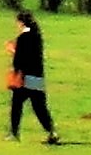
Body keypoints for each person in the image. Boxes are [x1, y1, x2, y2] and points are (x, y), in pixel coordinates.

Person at [5, 8, 58, 144]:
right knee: (39, 107)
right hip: (37, 76)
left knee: (16, 105)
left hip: (24, 77)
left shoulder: (23, 37)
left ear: (21, 23)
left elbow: (20, 59)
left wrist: (12, 50)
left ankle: (14, 134)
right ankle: (52, 132)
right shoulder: (37, 36)